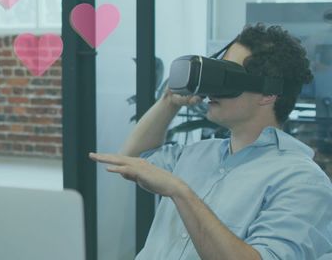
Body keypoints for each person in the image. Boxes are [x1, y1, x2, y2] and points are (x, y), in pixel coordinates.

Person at [90, 23, 332, 259]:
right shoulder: (197, 153)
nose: (213, 88)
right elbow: (130, 161)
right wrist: (168, 102)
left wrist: (180, 192)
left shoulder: (301, 181)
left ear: (268, 94)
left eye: (227, 76)